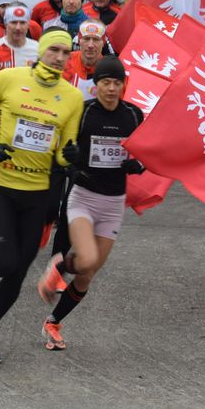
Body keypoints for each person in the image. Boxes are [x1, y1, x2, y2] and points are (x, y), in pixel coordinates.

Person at [0, 29, 83, 363]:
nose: (59, 57)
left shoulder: (72, 97)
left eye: (65, 53)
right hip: (3, 183)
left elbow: (63, 153)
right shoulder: (9, 78)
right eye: (53, 50)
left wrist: (70, 156)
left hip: (38, 191)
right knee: (4, 263)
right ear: (41, 51)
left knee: (17, 273)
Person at [36, 56, 144, 350]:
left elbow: (146, 151)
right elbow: (61, 145)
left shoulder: (134, 115)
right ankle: (57, 266)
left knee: (87, 275)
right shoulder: (84, 113)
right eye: (105, 82)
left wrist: (139, 165)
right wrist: (70, 162)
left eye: (117, 82)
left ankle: (53, 322)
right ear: (95, 86)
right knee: (87, 258)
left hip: (113, 203)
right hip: (84, 197)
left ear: (124, 85)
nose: (111, 88)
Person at [62, 20, 109, 99]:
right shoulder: (65, 61)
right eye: (86, 39)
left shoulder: (110, 68)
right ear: (79, 41)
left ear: (103, 43)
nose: (90, 45)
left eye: (96, 39)